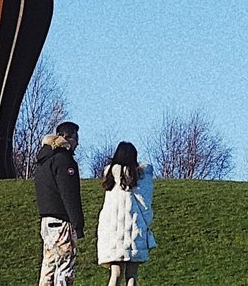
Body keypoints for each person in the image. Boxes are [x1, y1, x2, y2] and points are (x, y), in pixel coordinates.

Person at [27, 121, 85, 286]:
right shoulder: (64, 161)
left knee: (48, 269)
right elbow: (69, 194)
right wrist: (78, 224)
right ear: (66, 137)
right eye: (75, 139)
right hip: (62, 223)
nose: (77, 144)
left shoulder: (43, 161)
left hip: (47, 222)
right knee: (65, 270)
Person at [94, 142, 154, 285]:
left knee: (115, 274)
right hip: (134, 228)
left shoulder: (110, 177)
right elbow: (145, 205)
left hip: (112, 232)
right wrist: (147, 223)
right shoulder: (140, 177)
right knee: (132, 275)